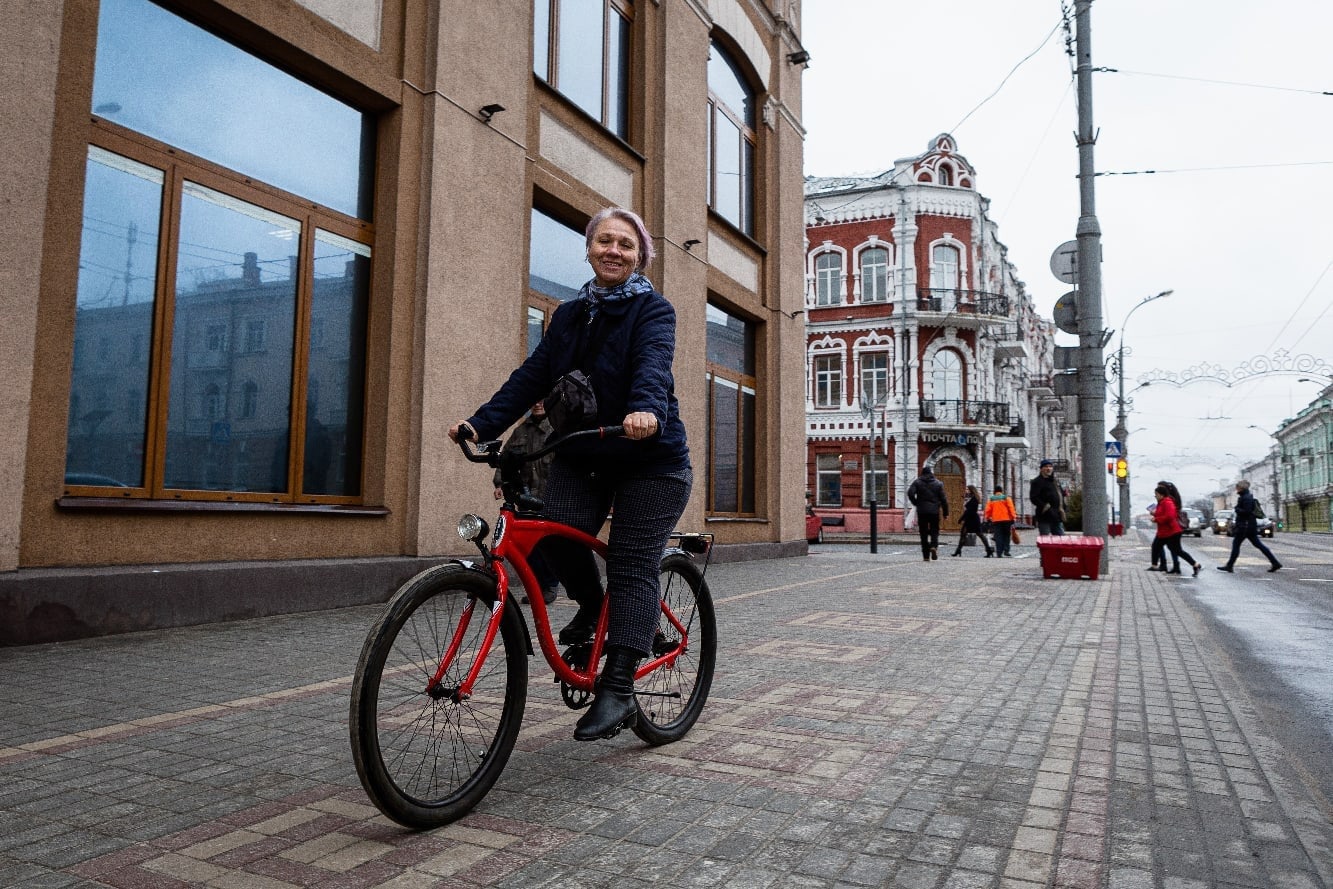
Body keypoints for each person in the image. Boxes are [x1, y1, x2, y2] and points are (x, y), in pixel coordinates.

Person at [449, 207, 691, 742]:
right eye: (604, 241)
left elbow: (654, 363)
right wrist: (481, 422)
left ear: (640, 255)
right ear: (588, 248)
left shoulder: (654, 311)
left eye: (625, 245)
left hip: (651, 460)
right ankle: (599, 606)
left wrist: (646, 411)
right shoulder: (568, 315)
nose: (614, 251)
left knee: (630, 561)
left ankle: (621, 687)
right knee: (551, 534)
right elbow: (533, 375)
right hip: (586, 453)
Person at [493, 402, 559, 605]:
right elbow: (505, 458)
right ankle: (536, 586)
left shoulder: (556, 428)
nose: (538, 403)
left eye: (542, 399)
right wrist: (500, 484)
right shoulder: (521, 431)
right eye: (535, 400)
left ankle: (549, 586)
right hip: (526, 498)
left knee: (547, 545)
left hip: (551, 498)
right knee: (526, 545)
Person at [1218, 479, 1281, 573]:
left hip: (1245, 526)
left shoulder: (1246, 498)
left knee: (1236, 545)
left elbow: (1247, 512)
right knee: (1258, 545)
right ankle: (1275, 563)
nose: (1236, 489)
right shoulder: (1246, 496)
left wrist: (1237, 509)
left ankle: (1229, 565)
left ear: (1241, 488)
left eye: (1237, 487)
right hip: (1248, 526)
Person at [1151, 484, 1200, 576]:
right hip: (1165, 532)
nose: (1155, 496)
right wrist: (1154, 514)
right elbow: (1162, 514)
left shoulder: (1168, 502)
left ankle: (1195, 564)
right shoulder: (1162, 503)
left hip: (1171, 532)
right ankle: (1154, 565)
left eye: (1156, 494)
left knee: (1176, 550)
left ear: (1161, 495)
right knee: (1157, 546)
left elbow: (1170, 516)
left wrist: (1157, 519)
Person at [907, 465, 949, 561]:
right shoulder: (938, 484)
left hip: (922, 511)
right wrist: (945, 513)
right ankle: (934, 546)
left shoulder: (917, 482)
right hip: (934, 511)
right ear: (931, 473)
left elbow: (910, 493)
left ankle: (926, 556)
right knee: (934, 530)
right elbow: (944, 499)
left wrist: (916, 503)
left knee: (923, 533)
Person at [951, 484, 994, 557]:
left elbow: (969, 511)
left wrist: (961, 518)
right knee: (963, 535)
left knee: (980, 534)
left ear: (971, 490)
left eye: (967, 489)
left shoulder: (974, 499)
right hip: (970, 519)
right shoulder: (970, 498)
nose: (966, 490)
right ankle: (958, 550)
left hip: (972, 519)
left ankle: (989, 550)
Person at [1029, 459, 1065, 535]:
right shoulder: (1037, 481)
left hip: (1057, 516)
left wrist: (1064, 506)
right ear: (1041, 469)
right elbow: (1034, 498)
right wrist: (1045, 506)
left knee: (1061, 539)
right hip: (1045, 516)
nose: (1048, 469)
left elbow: (1060, 494)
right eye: (1046, 467)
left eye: (1050, 466)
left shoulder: (1054, 481)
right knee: (1045, 540)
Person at [984, 485, 1017, 557]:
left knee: (998, 536)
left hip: (996, 520)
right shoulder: (1006, 498)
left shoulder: (991, 499)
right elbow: (1011, 508)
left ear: (995, 491)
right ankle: (1006, 550)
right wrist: (1013, 517)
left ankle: (999, 553)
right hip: (1007, 520)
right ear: (1001, 491)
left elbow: (988, 510)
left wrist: (987, 518)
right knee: (1006, 535)